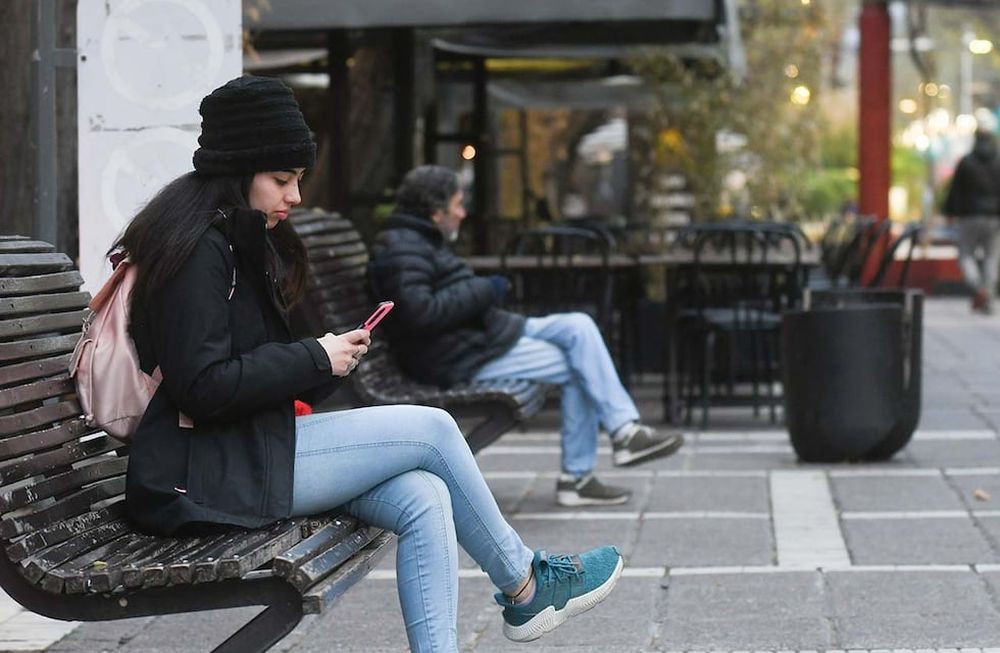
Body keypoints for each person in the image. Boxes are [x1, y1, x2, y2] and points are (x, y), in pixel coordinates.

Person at [117, 75, 622, 652]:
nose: (295, 197)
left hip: (240, 450)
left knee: (424, 494)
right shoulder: (199, 253)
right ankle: (525, 584)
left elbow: (244, 369)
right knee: (432, 428)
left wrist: (324, 362)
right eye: (281, 180)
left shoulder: (234, 241)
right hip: (200, 473)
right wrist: (313, 356)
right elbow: (202, 385)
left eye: (299, 180)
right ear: (236, 174)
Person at [368, 165, 685, 508]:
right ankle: (583, 474)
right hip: (457, 355)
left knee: (579, 325)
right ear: (435, 211)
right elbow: (422, 314)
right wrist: (484, 289)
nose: (463, 212)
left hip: (479, 335)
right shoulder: (403, 250)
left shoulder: (418, 242)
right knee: (581, 363)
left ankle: (623, 432)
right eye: (458, 204)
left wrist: (481, 293)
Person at [943, 129, 1000, 314]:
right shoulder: (998, 162)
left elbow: (955, 190)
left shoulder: (966, 162)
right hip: (994, 216)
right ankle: (988, 295)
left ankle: (978, 288)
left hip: (968, 216)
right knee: (992, 256)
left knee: (966, 254)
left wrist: (949, 212)